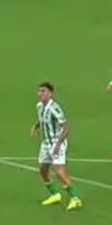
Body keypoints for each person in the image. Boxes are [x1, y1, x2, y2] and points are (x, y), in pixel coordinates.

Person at [32, 82, 82, 210]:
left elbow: (65, 127)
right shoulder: (39, 106)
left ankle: (75, 198)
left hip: (56, 142)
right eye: (40, 91)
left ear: (50, 93)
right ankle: (55, 195)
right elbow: (42, 118)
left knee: (59, 171)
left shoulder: (55, 108)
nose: (40, 94)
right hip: (46, 143)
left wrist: (58, 144)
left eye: (43, 91)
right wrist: (35, 127)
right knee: (43, 169)